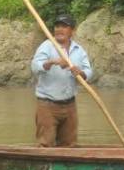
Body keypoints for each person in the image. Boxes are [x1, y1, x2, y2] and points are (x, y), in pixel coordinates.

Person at [31, 13, 93, 147]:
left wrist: (80, 73)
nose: (59, 29)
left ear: (72, 31)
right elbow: (35, 67)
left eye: (64, 26)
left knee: (69, 145)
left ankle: (66, 167)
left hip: (70, 105)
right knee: (45, 144)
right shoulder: (46, 46)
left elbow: (89, 71)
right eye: (57, 26)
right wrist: (52, 62)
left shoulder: (79, 50)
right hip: (47, 105)